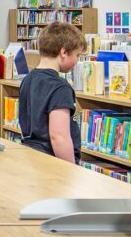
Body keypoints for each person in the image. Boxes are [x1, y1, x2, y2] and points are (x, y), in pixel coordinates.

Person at [16, 21, 83, 164]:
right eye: (77, 55)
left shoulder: (28, 79)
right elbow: (59, 137)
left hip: (31, 156)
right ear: (64, 52)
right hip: (52, 161)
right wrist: (72, 170)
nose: (77, 61)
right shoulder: (60, 88)